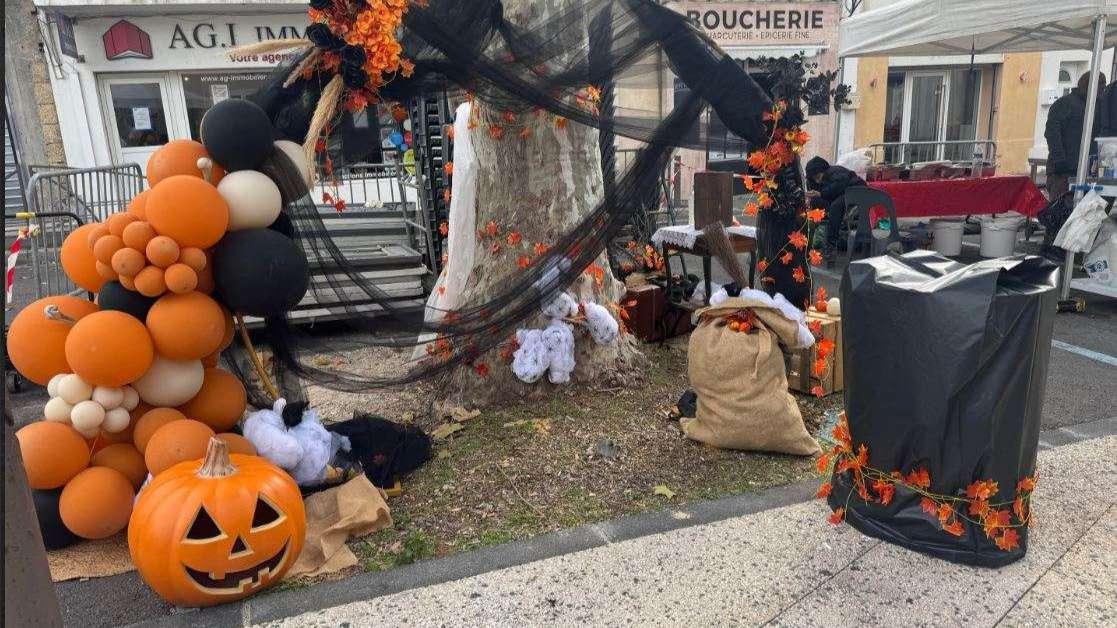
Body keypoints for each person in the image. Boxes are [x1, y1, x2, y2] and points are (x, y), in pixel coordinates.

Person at [1045, 72, 1105, 200]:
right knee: (1062, 212)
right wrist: (1060, 161)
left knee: (1084, 214)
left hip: (1089, 171)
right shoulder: (1064, 104)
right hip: (1063, 173)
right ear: (1089, 84)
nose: (1103, 88)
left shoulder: (1098, 106)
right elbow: (1052, 134)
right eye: (1101, 84)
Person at [805, 155, 865, 260]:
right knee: (820, 203)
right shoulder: (819, 180)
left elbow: (839, 186)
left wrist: (820, 193)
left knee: (836, 207)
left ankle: (831, 245)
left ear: (822, 171)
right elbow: (827, 194)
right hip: (843, 195)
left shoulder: (834, 171)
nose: (817, 180)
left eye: (818, 176)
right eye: (814, 178)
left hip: (856, 191)